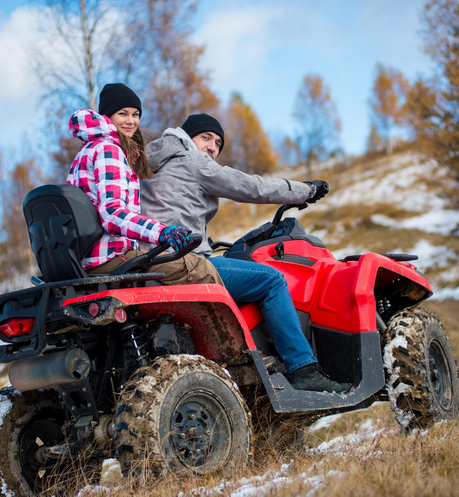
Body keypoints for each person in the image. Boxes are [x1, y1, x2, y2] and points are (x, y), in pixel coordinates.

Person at [140, 113, 351, 393]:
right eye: (206, 138)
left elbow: (171, 213)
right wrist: (305, 190)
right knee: (272, 281)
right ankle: (304, 368)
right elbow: (250, 187)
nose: (212, 148)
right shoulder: (192, 161)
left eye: (218, 143)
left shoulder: (150, 164)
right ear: (186, 137)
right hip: (183, 262)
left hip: (148, 260)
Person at [66, 84, 223, 286]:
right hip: (108, 257)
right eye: (123, 114)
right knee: (201, 269)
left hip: (95, 256)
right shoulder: (108, 150)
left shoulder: (88, 149)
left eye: (136, 114)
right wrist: (163, 232)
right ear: (108, 116)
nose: (131, 121)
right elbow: (112, 214)